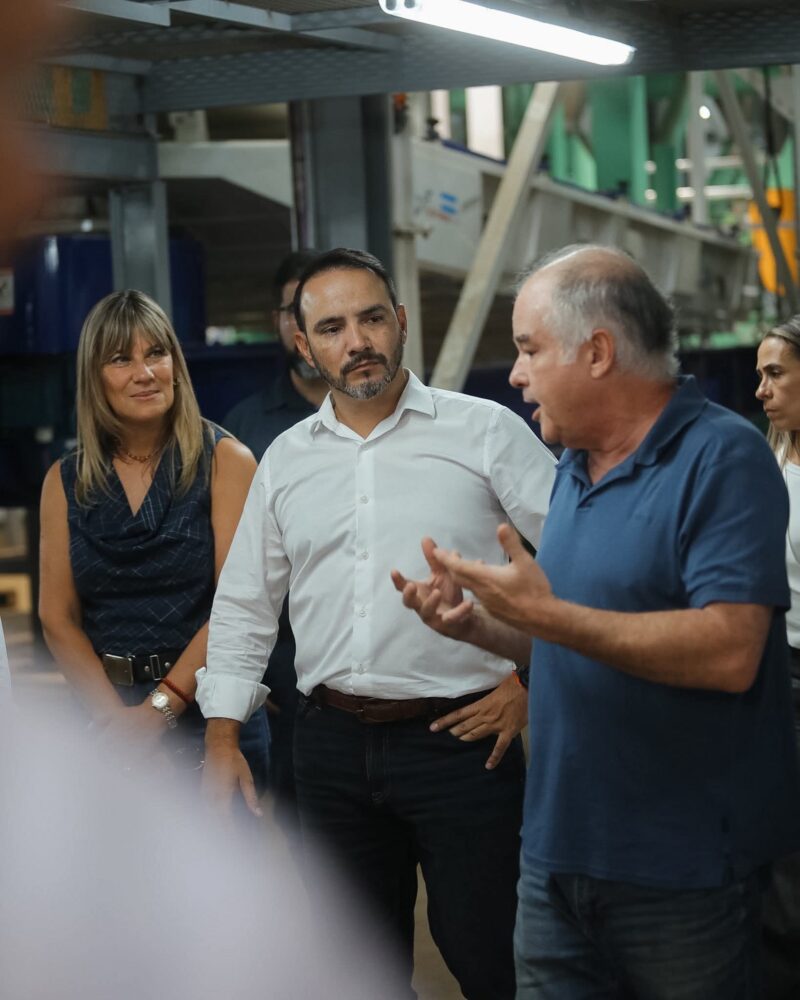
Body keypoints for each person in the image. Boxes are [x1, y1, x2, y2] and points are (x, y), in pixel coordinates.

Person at [396, 244, 800, 999]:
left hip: (683, 872)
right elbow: (569, 637)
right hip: (556, 858)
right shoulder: (574, 468)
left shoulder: (723, 458)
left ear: (598, 352)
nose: (516, 374)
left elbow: (730, 651)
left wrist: (549, 615)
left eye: (529, 349)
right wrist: (480, 626)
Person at [198, 248, 556, 1000]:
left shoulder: (483, 432)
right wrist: (223, 736)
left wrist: (533, 681)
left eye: (370, 319)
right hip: (328, 749)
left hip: (464, 746)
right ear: (304, 344)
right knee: (357, 972)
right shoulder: (286, 460)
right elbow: (246, 604)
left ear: (400, 322)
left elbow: (578, 561)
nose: (356, 341)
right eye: (331, 328)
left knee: (493, 961)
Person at [38, 290, 269, 786]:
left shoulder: (226, 461)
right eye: (121, 359)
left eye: (156, 353)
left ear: (175, 366)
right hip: (103, 721)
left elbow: (237, 605)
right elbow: (57, 617)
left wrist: (156, 712)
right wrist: (118, 724)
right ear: (94, 377)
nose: (144, 373)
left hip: (209, 716)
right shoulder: (64, 480)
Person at [223, 249, 325, 827]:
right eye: (295, 309)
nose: (307, 323)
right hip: (280, 683)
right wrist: (255, 677)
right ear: (280, 322)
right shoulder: (244, 429)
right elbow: (230, 568)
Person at [756, 320, 800, 999]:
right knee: (782, 861)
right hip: (777, 676)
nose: (761, 390)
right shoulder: (766, 465)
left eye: (776, 374)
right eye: (760, 375)